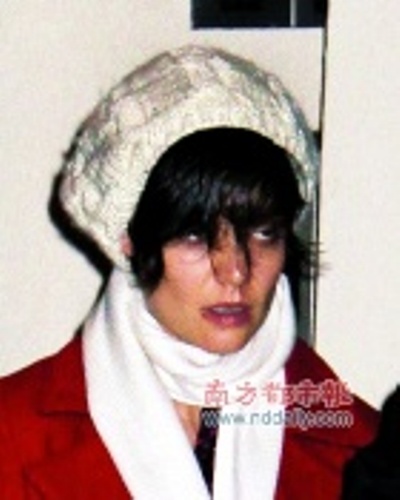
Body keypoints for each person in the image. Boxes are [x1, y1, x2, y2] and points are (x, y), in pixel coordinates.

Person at [0, 45, 378, 499]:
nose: (235, 271)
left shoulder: (365, 449)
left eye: (263, 233)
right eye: (196, 236)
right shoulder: (12, 437)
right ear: (128, 238)